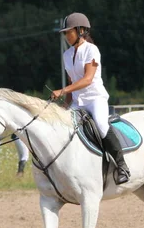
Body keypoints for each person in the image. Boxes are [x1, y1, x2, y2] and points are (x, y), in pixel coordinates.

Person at [51, 12, 130, 184]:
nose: (66, 36)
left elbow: (87, 80)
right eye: (65, 33)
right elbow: (73, 82)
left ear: (80, 30)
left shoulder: (91, 50)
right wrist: (64, 105)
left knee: (101, 126)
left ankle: (122, 165)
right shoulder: (67, 55)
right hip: (78, 102)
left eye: (68, 32)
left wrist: (62, 90)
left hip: (95, 99)